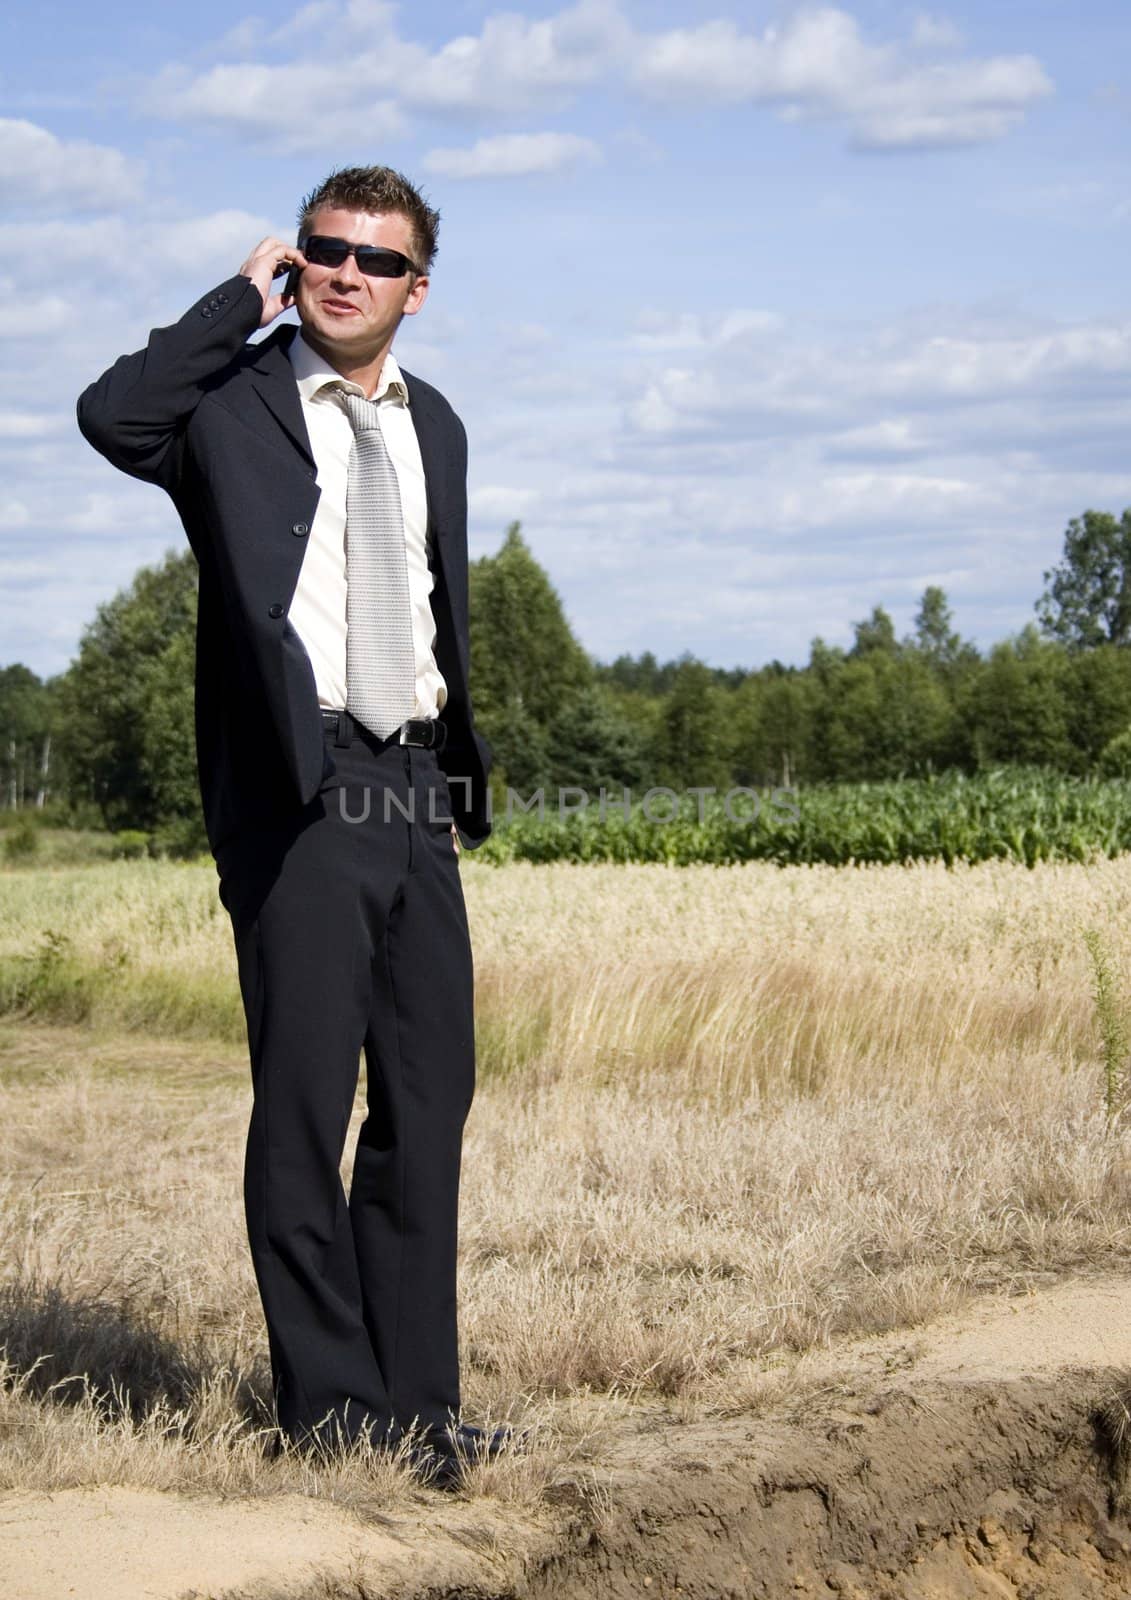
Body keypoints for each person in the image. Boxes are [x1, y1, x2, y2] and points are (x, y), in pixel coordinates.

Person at [76, 165, 498, 1484]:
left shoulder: (438, 425)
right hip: (298, 788)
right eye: (322, 249)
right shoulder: (229, 406)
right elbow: (108, 415)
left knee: (428, 1103)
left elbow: (435, 605)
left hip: (413, 785)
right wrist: (231, 304)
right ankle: (330, 1411)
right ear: (294, 257)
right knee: (306, 1106)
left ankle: (418, 1403)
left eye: (373, 261)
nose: (342, 272)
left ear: (416, 290)